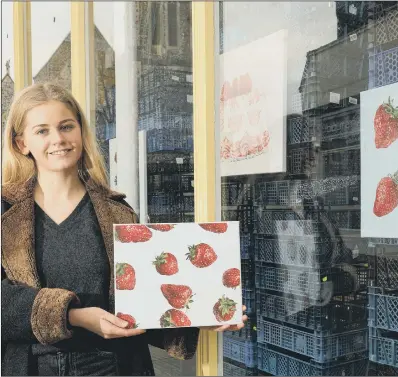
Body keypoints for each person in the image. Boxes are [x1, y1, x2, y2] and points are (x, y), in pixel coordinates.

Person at [1, 83, 247, 376]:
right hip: (33, 367)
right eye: (42, 130)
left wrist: (202, 313)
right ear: (21, 144)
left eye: (66, 126)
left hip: (114, 365)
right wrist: (75, 316)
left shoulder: (117, 211)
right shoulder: (6, 212)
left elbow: (144, 297)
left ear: (80, 131)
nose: (58, 139)